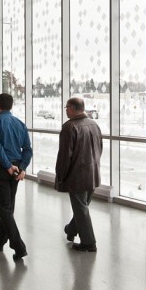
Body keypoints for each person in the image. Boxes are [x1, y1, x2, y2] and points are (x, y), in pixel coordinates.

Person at [0, 93, 33, 260]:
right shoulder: (20, 124)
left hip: (2, 168)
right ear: (11, 106)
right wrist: (21, 168)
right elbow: (28, 149)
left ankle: (18, 245)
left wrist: (7, 166)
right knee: (8, 208)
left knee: (4, 208)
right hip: (15, 171)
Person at [55, 97, 102, 252]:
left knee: (81, 208)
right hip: (93, 173)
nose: (65, 110)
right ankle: (71, 230)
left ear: (73, 108)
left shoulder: (70, 127)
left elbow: (64, 156)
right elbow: (99, 148)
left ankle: (89, 243)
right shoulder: (94, 125)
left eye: (66, 107)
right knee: (82, 207)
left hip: (77, 176)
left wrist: (60, 175)